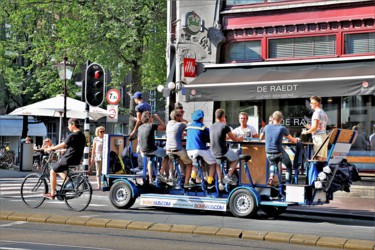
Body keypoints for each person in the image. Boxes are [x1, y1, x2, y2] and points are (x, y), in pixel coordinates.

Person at [42, 118, 86, 199]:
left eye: (69, 125)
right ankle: (68, 182)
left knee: (52, 171)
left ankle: (52, 194)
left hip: (68, 159)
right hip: (76, 159)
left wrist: (51, 148)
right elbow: (74, 147)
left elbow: (62, 144)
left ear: (73, 125)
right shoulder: (82, 135)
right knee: (59, 169)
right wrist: (62, 150)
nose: (68, 127)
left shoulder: (72, 135)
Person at [260, 111, 299, 185]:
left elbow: (260, 138)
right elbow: (293, 140)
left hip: (268, 153)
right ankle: (287, 183)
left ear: (273, 118)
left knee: (273, 163)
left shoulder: (266, 127)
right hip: (279, 153)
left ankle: (271, 176)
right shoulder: (282, 128)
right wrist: (297, 140)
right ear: (281, 119)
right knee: (288, 165)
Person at [210, 109, 243, 186]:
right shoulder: (225, 126)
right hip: (223, 151)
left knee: (218, 163)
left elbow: (219, 137)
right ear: (223, 117)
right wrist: (240, 139)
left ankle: (219, 181)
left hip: (213, 151)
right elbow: (234, 139)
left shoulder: (211, 126)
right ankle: (228, 175)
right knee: (236, 158)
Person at [186, 110, 217, 188]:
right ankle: (210, 182)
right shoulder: (203, 127)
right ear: (201, 118)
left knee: (195, 163)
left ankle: (192, 178)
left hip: (189, 150)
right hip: (199, 149)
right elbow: (211, 137)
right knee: (213, 163)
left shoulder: (189, 127)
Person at [138, 111, 169, 185]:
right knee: (167, 155)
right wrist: (158, 118)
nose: (152, 118)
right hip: (152, 149)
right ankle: (161, 173)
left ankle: (151, 180)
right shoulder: (152, 125)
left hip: (143, 150)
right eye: (152, 117)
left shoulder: (140, 127)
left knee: (150, 160)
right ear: (149, 118)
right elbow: (164, 127)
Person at [166, 110, 193, 188]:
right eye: (180, 116)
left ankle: (177, 175)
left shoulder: (168, 124)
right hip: (177, 149)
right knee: (189, 163)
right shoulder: (180, 125)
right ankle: (186, 182)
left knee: (180, 159)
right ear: (176, 116)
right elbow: (189, 126)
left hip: (168, 150)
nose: (182, 117)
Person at [302, 96, 329, 160]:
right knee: (323, 158)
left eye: (311, 102)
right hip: (324, 137)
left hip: (318, 137)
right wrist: (311, 128)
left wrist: (306, 131)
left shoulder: (316, 113)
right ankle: (322, 170)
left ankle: (318, 170)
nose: (310, 104)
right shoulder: (324, 113)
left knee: (318, 157)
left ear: (316, 103)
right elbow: (320, 127)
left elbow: (315, 127)